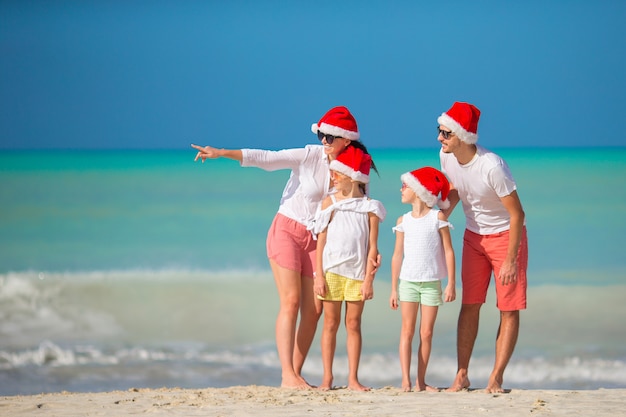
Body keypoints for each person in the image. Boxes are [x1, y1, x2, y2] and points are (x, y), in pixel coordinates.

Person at [191, 106, 379, 389]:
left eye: (330, 138)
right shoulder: (309, 155)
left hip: (317, 238)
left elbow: (359, 209)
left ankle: (296, 373)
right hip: (287, 230)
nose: (324, 142)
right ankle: (287, 374)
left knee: (315, 308)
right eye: (322, 136)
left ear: (346, 140)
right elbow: (267, 158)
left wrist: (370, 251)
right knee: (290, 301)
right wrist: (221, 153)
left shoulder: (353, 167)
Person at [436, 101, 528, 393]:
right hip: (473, 237)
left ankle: (496, 377)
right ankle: (461, 374)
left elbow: (517, 214)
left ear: (462, 136)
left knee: (508, 309)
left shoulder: (493, 166)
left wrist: (511, 259)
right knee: (470, 305)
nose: (440, 138)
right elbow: (455, 189)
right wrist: (440, 216)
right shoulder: (446, 156)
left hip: (505, 238)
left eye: (446, 133)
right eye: (439, 131)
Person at [311, 146, 386, 391]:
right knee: (330, 324)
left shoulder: (370, 207)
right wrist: (318, 276)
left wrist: (369, 280)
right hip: (331, 272)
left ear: (352, 176)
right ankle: (327, 378)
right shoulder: (329, 203)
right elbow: (320, 242)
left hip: (357, 274)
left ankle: (353, 378)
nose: (332, 177)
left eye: (337, 173)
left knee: (353, 324)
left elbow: (372, 246)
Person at [389, 167, 456, 392]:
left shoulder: (437, 218)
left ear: (419, 191)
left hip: (431, 283)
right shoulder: (403, 220)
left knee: (426, 333)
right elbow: (397, 255)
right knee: (406, 331)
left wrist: (451, 284)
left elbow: (448, 251)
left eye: (405, 186)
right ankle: (406, 381)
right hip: (407, 282)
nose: (401, 189)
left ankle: (421, 381)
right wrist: (393, 289)